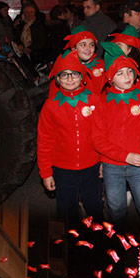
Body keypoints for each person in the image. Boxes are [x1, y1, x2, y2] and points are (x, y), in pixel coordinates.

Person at [92, 47, 140, 229]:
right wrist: (124, 157)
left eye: (130, 71)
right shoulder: (102, 102)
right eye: (120, 73)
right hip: (112, 166)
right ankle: (120, 239)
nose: (127, 76)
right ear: (111, 78)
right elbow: (98, 140)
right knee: (116, 207)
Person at [37, 50, 103, 225]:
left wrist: (104, 161)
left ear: (82, 77)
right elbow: (44, 141)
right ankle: (73, 246)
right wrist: (46, 172)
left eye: (74, 74)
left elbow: (103, 134)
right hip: (63, 169)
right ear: (57, 79)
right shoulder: (51, 106)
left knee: (95, 206)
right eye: (64, 75)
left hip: (92, 166)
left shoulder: (94, 100)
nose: (70, 78)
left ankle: (99, 243)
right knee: (67, 212)